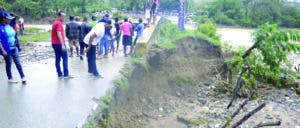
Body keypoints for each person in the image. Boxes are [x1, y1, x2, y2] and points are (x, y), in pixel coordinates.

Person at [0, 11, 26, 83]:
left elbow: (14, 36)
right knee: (8, 64)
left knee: (17, 62)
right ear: (3, 19)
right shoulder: (0, 27)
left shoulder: (10, 25)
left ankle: (23, 76)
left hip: (14, 47)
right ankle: (10, 78)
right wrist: (3, 51)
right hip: (7, 49)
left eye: (10, 19)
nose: (9, 20)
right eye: (8, 18)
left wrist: (18, 45)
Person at [51, 11, 73, 78]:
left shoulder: (55, 22)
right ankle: (66, 74)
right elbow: (59, 34)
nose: (64, 17)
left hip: (54, 44)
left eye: (64, 16)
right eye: (62, 16)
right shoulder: (58, 23)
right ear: (59, 16)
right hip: (59, 44)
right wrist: (63, 45)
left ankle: (59, 74)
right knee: (65, 59)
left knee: (57, 58)